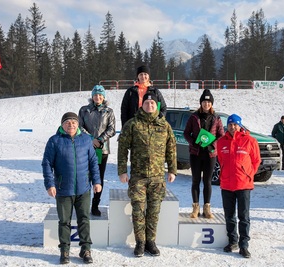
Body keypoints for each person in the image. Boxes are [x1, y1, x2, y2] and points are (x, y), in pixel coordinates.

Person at [117, 92, 177, 257]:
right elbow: (122, 148)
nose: (149, 106)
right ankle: (140, 243)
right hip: (138, 177)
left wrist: (172, 170)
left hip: (158, 177)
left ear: (156, 106)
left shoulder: (164, 125)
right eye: (147, 103)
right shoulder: (133, 124)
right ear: (141, 105)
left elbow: (171, 148)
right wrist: (122, 171)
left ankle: (151, 241)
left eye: (152, 104)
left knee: (154, 211)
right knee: (138, 210)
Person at [42, 112, 102, 264]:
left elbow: (93, 162)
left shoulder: (86, 140)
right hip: (63, 189)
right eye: (67, 122)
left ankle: (86, 249)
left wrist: (96, 181)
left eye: (74, 122)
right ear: (62, 125)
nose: (71, 125)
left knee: (84, 219)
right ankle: (65, 250)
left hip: (83, 188)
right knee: (64, 221)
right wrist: (50, 184)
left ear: (78, 124)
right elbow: (47, 163)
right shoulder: (55, 141)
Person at [217, 114, 261, 259]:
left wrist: (248, 174)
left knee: (243, 216)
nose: (232, 127)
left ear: (240, 125)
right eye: (230, 124)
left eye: (235, 124)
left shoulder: (249, 140)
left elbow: (256, 160)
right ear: (227, 126)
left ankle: (244, 245)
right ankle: (233, 241)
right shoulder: (221, 141)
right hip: (227, 184)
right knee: (229, 216)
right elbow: (221, 159)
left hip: (243, 184)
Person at [183, 89, 224, 219]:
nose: (206, 104)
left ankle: (207, 207)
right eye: (204, 102)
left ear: (211, 104)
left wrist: (213, 144)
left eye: (208, 102)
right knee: (195, 181)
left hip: (210, 155)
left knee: (207, 181)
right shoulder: (194, 117)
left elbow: (221, 135)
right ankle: (195, 207)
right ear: (201, 103)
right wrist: (193, 143)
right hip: (196, 154)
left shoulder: (216, 118)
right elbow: (186, 133)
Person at [78, 85, 116, 216]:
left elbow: (111, 129)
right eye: (95, 95)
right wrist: (90, 139)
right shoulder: (84, 110)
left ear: (104, 97)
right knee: (84, 177)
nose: (97, 97)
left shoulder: (108, 111)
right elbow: (79, 127)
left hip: (102, 149)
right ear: (92, 96)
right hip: (86, 148)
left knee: (98, 178)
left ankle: (95, 205)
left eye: (100, 95)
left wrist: (99, 140)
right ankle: (82, 205)